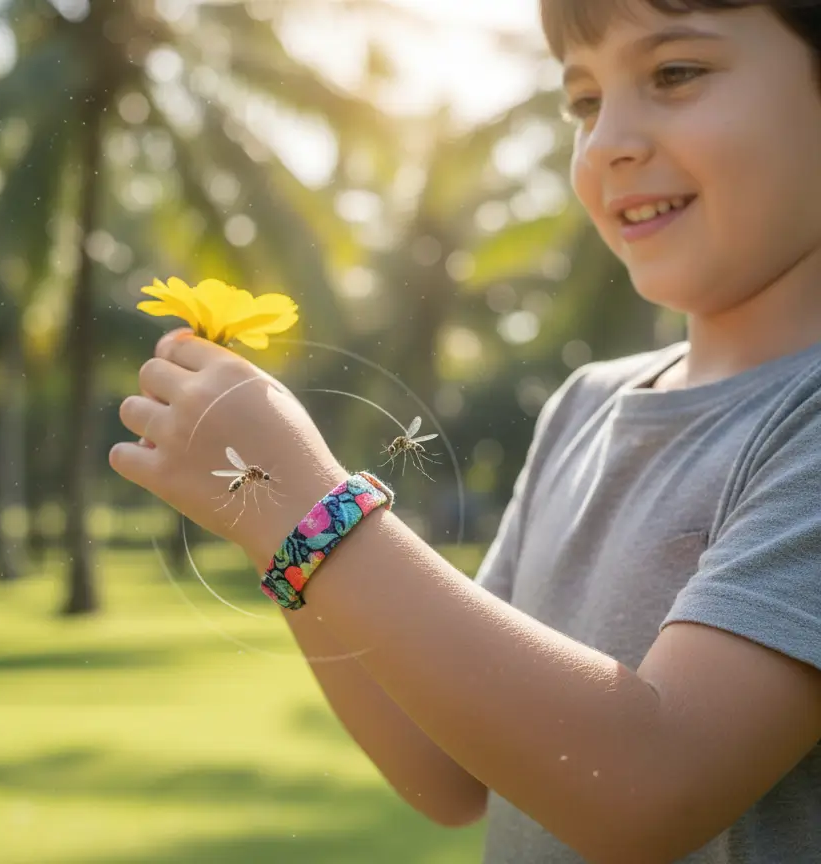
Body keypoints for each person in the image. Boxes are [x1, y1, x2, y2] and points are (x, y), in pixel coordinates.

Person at [109, 1, 821, 861]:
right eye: (584, 102)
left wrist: (310, 502)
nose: (605, 145)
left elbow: (649, 791)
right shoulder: (583, 409)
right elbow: (445, 773)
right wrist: (279, 533)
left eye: (675, 74)